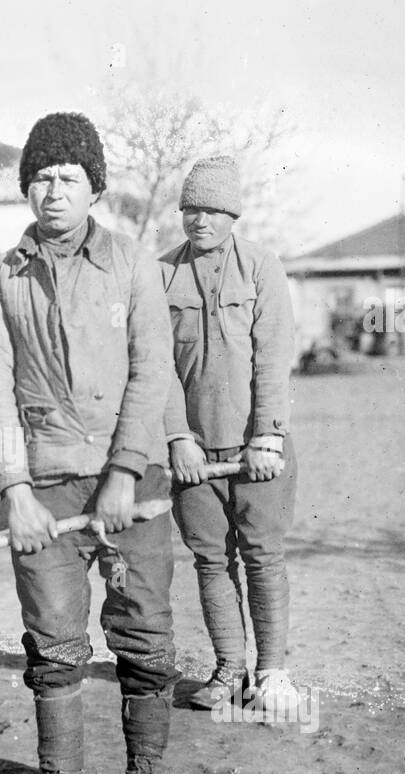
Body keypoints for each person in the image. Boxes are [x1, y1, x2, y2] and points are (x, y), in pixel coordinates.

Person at [0, 112, 180, 774]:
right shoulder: (3, 277)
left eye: (68, 178)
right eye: (40, 179)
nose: (53, 192)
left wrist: (126, 470)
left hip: (134, 487)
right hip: (46, 489)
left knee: (144, 628)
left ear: (94, 188)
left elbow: (153, 373)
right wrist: (14, 492)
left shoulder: (132, 263)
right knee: (53, 636)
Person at [161, 156, 300, 715]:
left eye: (214, 210)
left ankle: (272, 673)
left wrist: (267, 435)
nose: (202, 220)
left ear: (233, 214)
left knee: (263, 555)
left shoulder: (263, 269)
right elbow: (156, 365)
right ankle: (229, 671)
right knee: (211, 561)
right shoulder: (160, 274)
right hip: (195, 453)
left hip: (256, 450)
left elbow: (273, 359)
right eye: (192, 209)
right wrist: (177, 437)